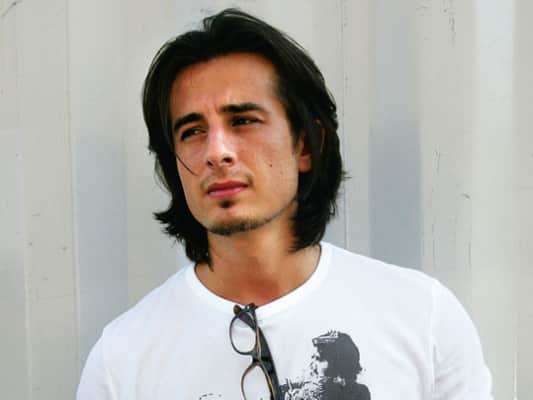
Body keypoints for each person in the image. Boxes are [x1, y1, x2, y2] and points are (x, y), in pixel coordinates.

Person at [77, 8, 493, 400]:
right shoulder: (123, 360)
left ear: (306, 144)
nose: (217, 152)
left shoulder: (421, 319)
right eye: (192, 131)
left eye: (243, 121)